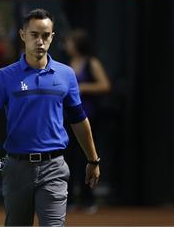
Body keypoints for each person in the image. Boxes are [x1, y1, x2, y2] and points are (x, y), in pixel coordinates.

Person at [0, 8, 100, 226]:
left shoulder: (66, 75)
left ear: (52, 37)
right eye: (34, 35)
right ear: (23, 35)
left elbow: (79, 119)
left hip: (54, 166)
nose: (40, 41)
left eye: (45, 36)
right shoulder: (5, 76)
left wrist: (93, 159)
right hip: (16, 166)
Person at [64, 29, 111, 213]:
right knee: (67, 159)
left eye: (70, 42)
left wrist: (84, 87)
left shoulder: (92, 63)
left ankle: (88, 198)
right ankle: (69, 199)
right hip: (67, 118)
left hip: (88, 117)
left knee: (87, 157)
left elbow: (105, 85)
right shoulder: (67, 65)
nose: (67, 45)